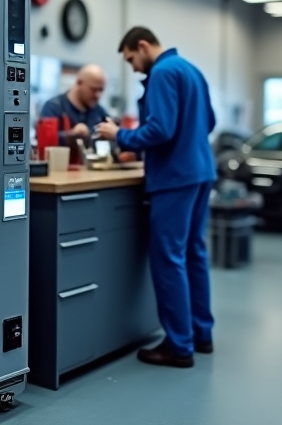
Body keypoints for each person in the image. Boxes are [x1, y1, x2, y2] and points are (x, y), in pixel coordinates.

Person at [95, 26, 215, 369]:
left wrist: (121, 135)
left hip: (175, 178)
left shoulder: (162, 72)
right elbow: (209, 121)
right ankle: (201, 334)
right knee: (194, 253)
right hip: (200, 171)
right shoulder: (192, 70)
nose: (133, 67)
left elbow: (161, 128)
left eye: (132, 58)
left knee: (170, 258)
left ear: (143, 46)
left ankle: (179, 346)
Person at [40, 64, 109, 146]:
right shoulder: (54, 107)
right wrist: (71, 135)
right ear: (79, 83)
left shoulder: (100, 113)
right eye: (93, 89)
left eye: (101, 90)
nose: (98, 95)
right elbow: (44, 140)